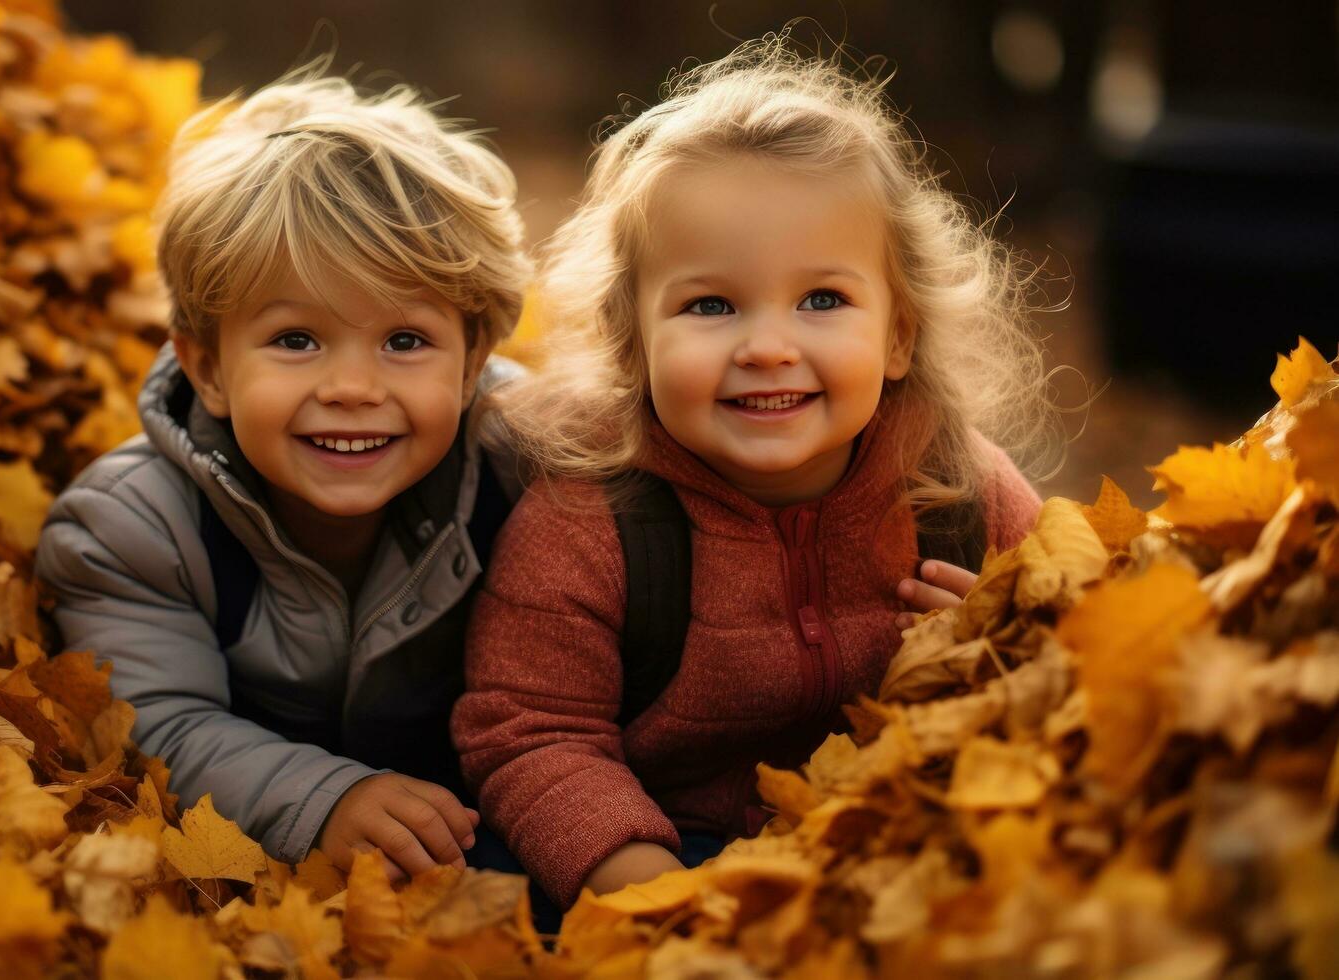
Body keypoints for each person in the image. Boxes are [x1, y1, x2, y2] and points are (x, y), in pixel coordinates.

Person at [452, 36, 1061, 910]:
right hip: (666, 838)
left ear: (898, 334)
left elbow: (1075, 660)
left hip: (901, 833)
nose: (768, 348)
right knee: (495, 872)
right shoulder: (593, 519)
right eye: (710, 305)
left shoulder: (959, 495)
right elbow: (529, 731)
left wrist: (1008, 654)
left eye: (822, 301)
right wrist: (645, 882)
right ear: (635, 342)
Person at [35, 69, 531, 879]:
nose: (351, 389)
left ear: (473, 360)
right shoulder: (131, 529)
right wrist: (321, 797)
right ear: (208, 368)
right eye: (296, 340)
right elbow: (156, 722)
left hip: (482, 814)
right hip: (273, 842)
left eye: (404, 341)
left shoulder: (526, 468)